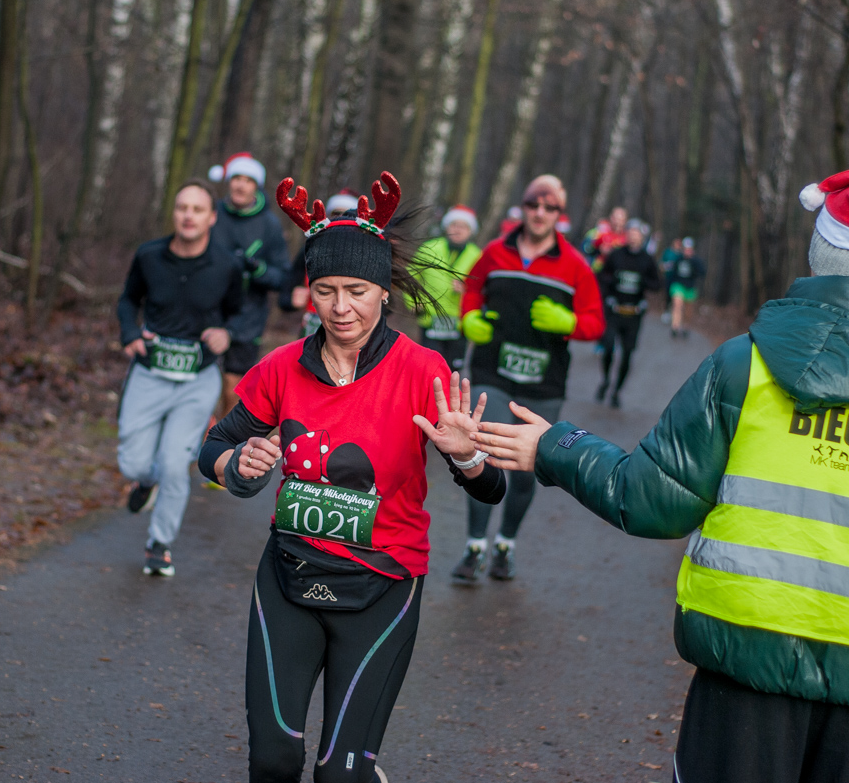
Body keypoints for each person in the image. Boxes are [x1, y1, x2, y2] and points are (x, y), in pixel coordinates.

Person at [473, 163, 849, 783]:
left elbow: (651, 499)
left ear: (820, 250)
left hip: (740, 663)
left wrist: (556, 446)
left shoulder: (743, 366)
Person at [198, 172, 505, 783]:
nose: (342, 308)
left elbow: (490, 488)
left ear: (384, 292)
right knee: (273, 761)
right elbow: (215, 446)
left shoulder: (423, 370)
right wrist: (237, 468)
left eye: (358, 291)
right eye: (326, 291)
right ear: (309, 294)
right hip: (290, 577)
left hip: (383, 586)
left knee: (339, 775)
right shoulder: (281, 368)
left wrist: (467, 456)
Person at [453, 174, 605, 581]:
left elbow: (596, 322)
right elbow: (471, 289)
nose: (539, 213)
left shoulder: (575, 265)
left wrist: (569, 323)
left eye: (549, 207)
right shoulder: (494, 252)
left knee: (523, 468)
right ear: (523, 207)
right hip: (492, 371)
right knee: (483, 455)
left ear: (559, 213)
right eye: (533, 204)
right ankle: (474, 547)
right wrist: (469, 318)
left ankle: (505, 545)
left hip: (543, 383)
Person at [116, 180, 245, 576]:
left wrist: (226, 333)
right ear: (174, 214)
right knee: (133, 462)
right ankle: (145, 481)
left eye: (197, 209)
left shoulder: (226, 265)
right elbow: (128, 300)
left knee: (176, 463)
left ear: (211, 217)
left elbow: (239, 312)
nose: (188, 215)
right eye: (182, 208)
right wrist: (130, 333)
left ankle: (160, 545)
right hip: (149, 373)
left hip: (197, 379)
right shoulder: (149, 256)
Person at [208, 152, 291, 416]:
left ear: (256, 186)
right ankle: (199, 433)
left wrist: (256, 268)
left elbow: (282, 278)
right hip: (208, 311)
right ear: (228, 181)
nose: (240, 185)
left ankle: (222, 435)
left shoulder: (269, 225)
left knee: (232, 388)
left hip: (248, 319)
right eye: (236, 179)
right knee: (201, 384)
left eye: (248, 180)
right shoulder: (211, 213)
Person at [596, 218, 661, 408]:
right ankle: (605, 380)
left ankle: (616, 391)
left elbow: (657, 284)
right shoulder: (616, 255)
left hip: (633, 314)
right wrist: (609, 289)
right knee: (608, 347)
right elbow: (602, 276)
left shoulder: (647, 259)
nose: (633, 236)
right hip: (614, 311)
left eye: (637, 233)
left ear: (642, 237)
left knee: (627, 355)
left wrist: (643, 282)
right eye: (630, 232)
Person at [409, 205, 483, 371]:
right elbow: (410, 276)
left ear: (470, 231)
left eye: (463, 226)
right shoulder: (429, 248)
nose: (458, 230)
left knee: (452, 371)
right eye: (454, 225)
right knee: (427, 368)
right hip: (430, 318)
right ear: (446, 227)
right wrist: (413, 301)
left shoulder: (478, 256)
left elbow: (482, 289)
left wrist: (466, 290)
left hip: (459, 323)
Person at [280, 191, 358, 339]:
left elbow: (385, 302)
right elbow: (285, 293)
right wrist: (292, 300)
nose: (341, 219)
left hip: (350, 326)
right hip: (313, 324)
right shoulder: (310, 248)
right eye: (336, 214)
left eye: (347, 215)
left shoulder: (365, 254)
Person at [669, 237, 706, 337]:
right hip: (678, 285)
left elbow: (702, 272)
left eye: (689, 249)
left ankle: (686, 326)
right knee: (677, 304)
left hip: (690, 288)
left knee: (688, 310)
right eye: (685, 249)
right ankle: (675, 326)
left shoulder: (696, 260)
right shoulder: (679, 258)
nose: (687, 251)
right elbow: (672, 271)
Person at [582, 205, 629, 272]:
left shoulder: (627, 237)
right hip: (596, 270)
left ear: (625, 221)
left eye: (621, 220)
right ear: (610, 217)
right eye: (615, 219)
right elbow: (585, 248)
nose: (617, 222)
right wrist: (598, 249)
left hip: (616, 271)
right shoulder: (599, 231)